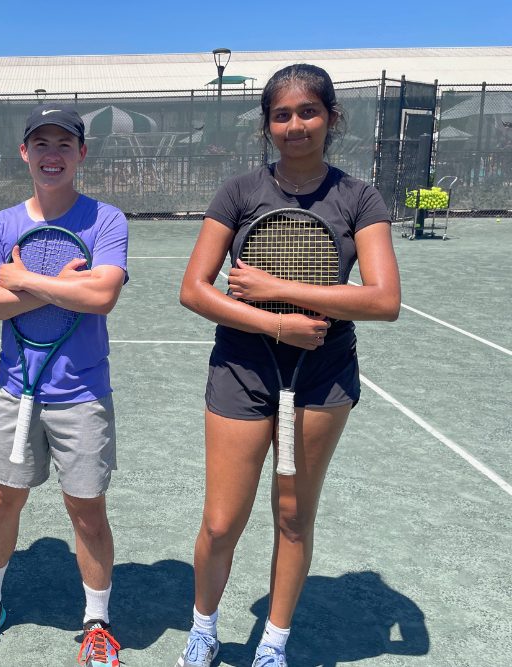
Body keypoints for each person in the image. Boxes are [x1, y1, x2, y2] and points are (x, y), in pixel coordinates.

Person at [175, 63, 401, 667]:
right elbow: (195, 290)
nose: (295, 125)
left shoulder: (359, 197)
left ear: (330, 117)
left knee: (294, 517)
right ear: (267, 124)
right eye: (282, 114)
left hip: (322, 375)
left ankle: (273, 643)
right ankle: (203, 630)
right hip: (242, 369)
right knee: (222, 523)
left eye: (308, 112)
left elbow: (383, 300)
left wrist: (281, 288)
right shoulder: (239, 192)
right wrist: (277, 324)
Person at [0, 104, 129, 667]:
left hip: (82, 396)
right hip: (15, 392)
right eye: (41, 144)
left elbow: (101, 296)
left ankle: (97, 622)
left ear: (81, 154)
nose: (52, 155)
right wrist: (59, 288)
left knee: (86, 510)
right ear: (25, 153)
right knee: (2, 501)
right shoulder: (2, 224)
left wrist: (24, 279)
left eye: (64, 145)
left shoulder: (106, 220)